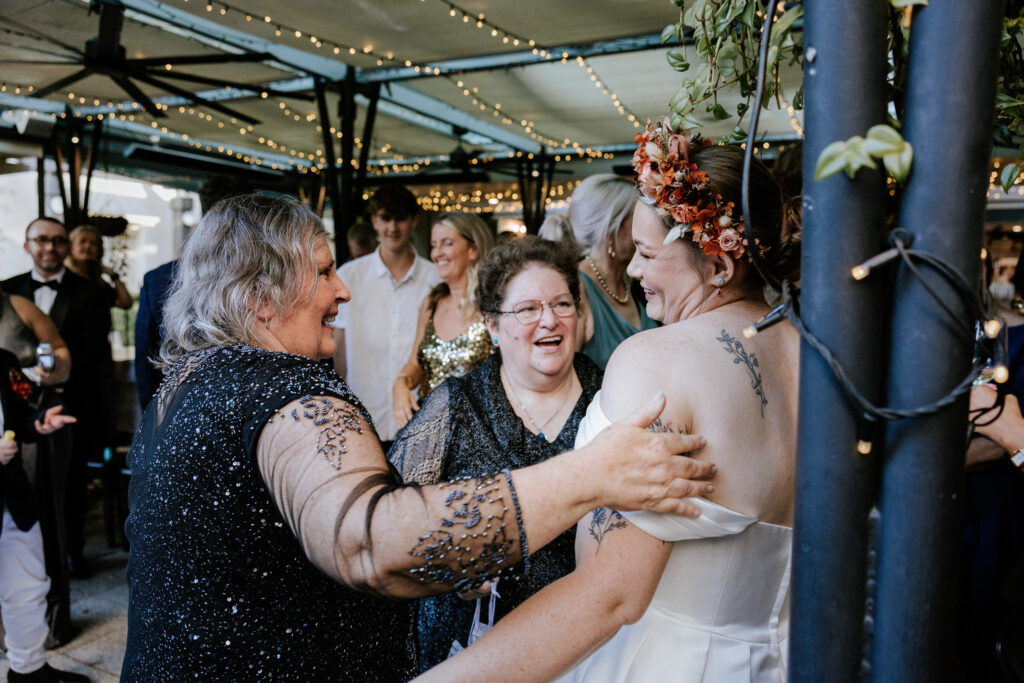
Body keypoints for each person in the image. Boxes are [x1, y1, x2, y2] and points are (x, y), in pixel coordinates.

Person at [121, 193, 716, 681]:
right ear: (259, 297)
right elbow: (369, 542)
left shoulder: (184, 386)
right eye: (323, 272)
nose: (342, 290)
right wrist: (592, 473)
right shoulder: (286, 392)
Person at [420, 120, 802, 682]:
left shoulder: (656, 361)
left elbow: (608, 596)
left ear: (720, 264)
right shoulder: (814, 354)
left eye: (645, 252)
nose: (633, 268)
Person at [390, 237, 602, 670]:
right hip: (469, 653)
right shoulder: (456, 404)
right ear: (491, 325)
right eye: (528, 309)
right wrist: (448, 567)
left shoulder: (609, 398)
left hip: (585, 652)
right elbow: (390, 521)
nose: (549, 320)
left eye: (562, 304)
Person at [3, 218, 111, 580]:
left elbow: (97, 355)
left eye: (58, 240)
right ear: (27, 245)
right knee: (22, 484)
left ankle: (71, 552)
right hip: (15, 412)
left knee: (70, 482)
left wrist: (65, 379)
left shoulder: (91, 292)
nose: (50, 247)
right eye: (41, 240)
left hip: (71, 403)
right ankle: (31, 560)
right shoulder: (8, 290)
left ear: (66, 247)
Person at [135, 175, 255, 411]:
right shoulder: (268, 276)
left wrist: (152, 420)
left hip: (179, 411)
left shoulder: (158, 278)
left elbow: (146, 361)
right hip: (255, 409)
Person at [332, 185, 439, 449]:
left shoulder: (435, 279)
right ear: (374, 221)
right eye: (385, 218)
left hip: (420, 419)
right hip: (362, 417)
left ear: (414, 221)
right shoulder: (349, 276)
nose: (393, 227)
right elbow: (339, 352)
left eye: (400, 218)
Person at [0, 347, 83, 682]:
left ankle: (28, 669)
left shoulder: (4, 361)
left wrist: (38, 424)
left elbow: (18, 418)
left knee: (28, 584)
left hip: (13, 494)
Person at [539, 174, 657, 369]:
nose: (644, 230)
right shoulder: (575, 289)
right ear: (611, 230)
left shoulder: (635, 283)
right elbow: (563, 373)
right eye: (636, 221)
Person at [392, 213, 494, 429]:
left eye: (447, 243)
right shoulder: (431, 303)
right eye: (434, 245)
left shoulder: (493, 305)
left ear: (473, 250)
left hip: (481, 430)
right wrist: (401, 383)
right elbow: (415, 364)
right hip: (431, 428)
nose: (437, 253)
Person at [64, 225, 132, 310]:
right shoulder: (64, 277)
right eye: (83, 241)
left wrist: (114, 276)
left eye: (94, 243)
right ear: (71, 247)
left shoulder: (97, 282)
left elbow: (125, 303)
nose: (88, 246)